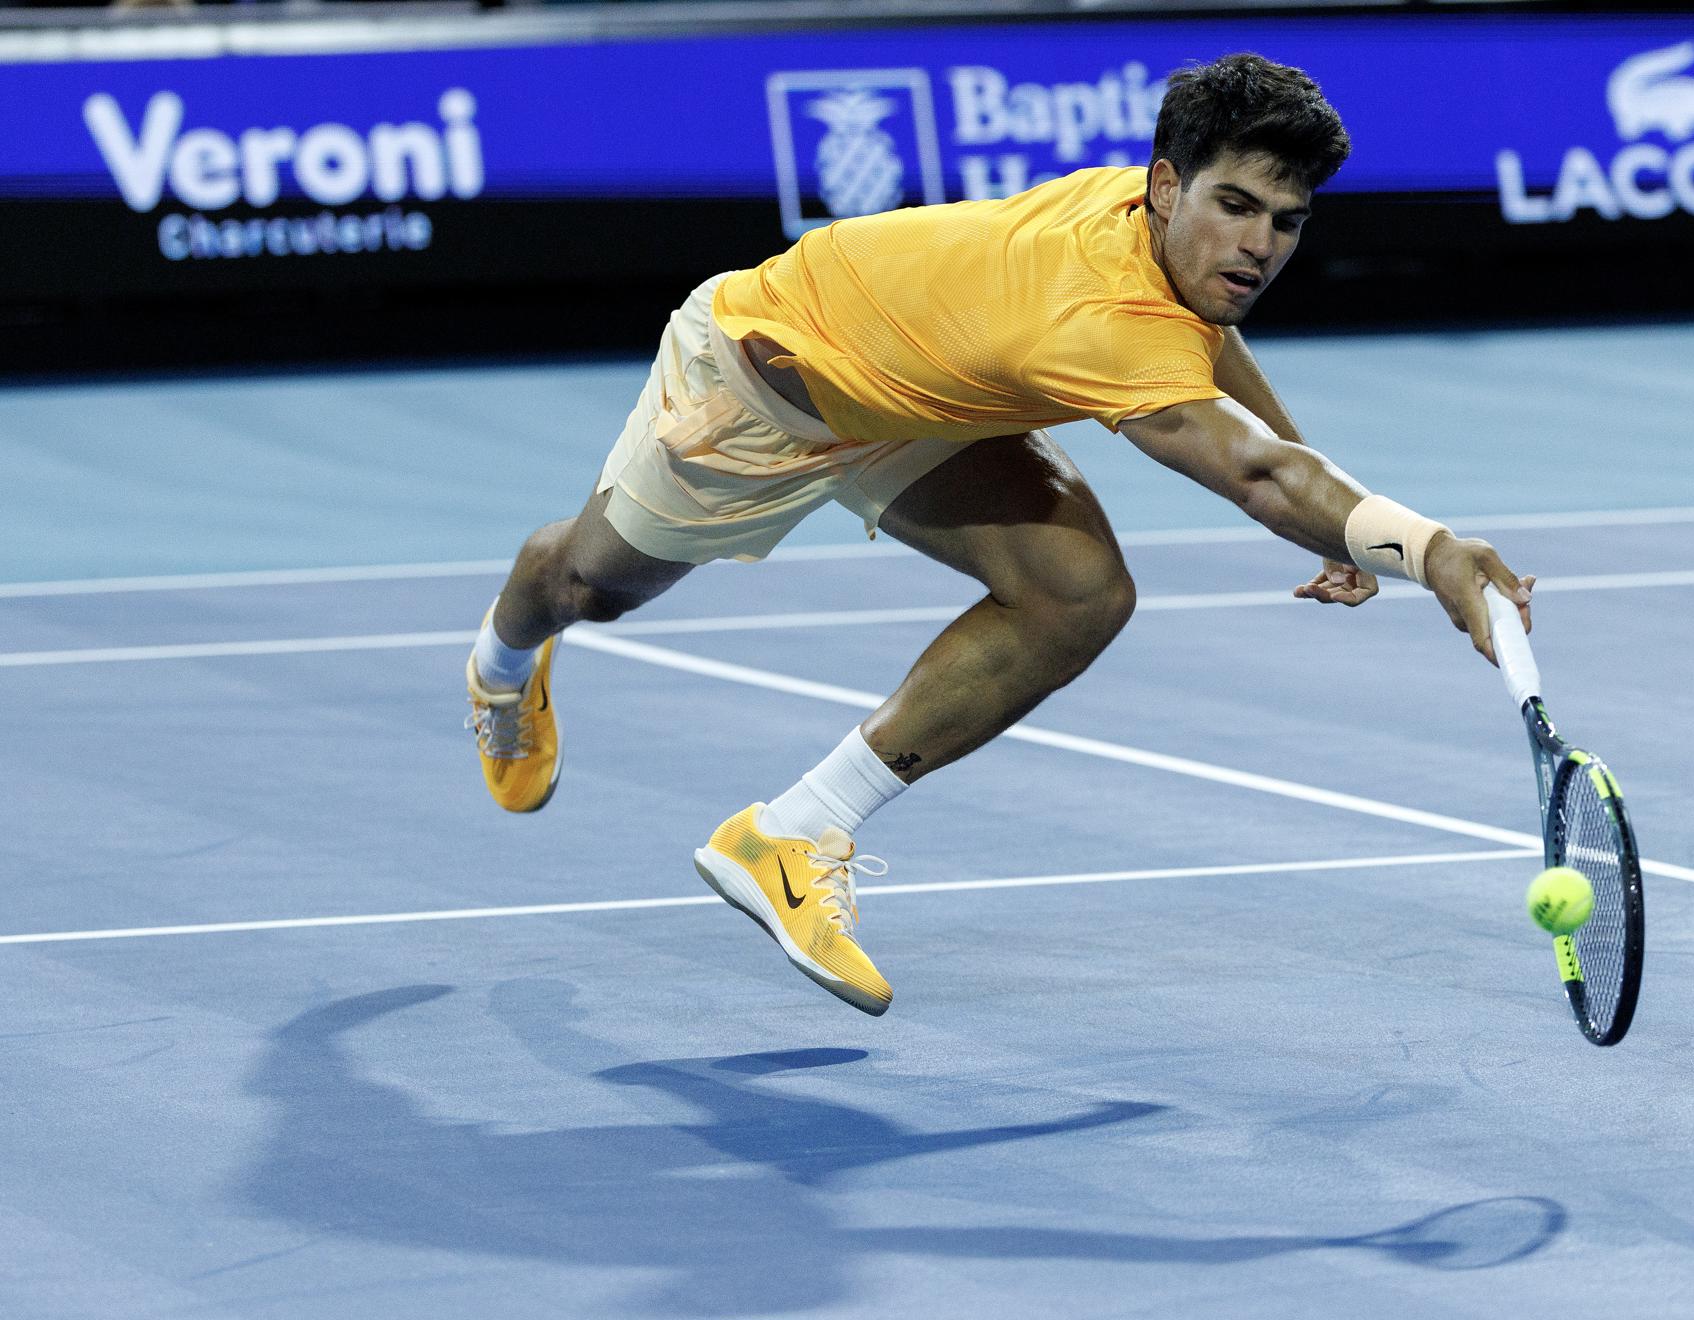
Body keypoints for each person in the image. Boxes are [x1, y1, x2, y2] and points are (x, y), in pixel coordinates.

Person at [464, 52, 1533, 1017]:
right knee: (590, 588)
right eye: (1237, 207)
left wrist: (1338, 533)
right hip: (758, 387)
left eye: (1287, 222)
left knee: (1077, 592)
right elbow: (1250, 466)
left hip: (914, 402)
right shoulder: (1099, 321)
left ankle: (794, 832)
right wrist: (1429, 549)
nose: (1257, 245)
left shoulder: (1155, 227)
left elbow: (1207, 359)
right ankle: (500, 664)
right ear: (1168, 186)